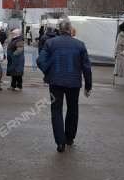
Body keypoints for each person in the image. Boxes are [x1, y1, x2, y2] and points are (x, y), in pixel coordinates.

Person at [37, 19, 92, 152]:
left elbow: (40, 60)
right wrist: (88, 86)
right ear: (70, 30)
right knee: (73, 109)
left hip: (55, 82)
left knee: (56, 110)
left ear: (59, 30)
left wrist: (47, 72)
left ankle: (60, 142)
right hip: (74, 83)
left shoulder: (50, 43)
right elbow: (86, 67)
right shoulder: (80, 45)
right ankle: (69, 138)